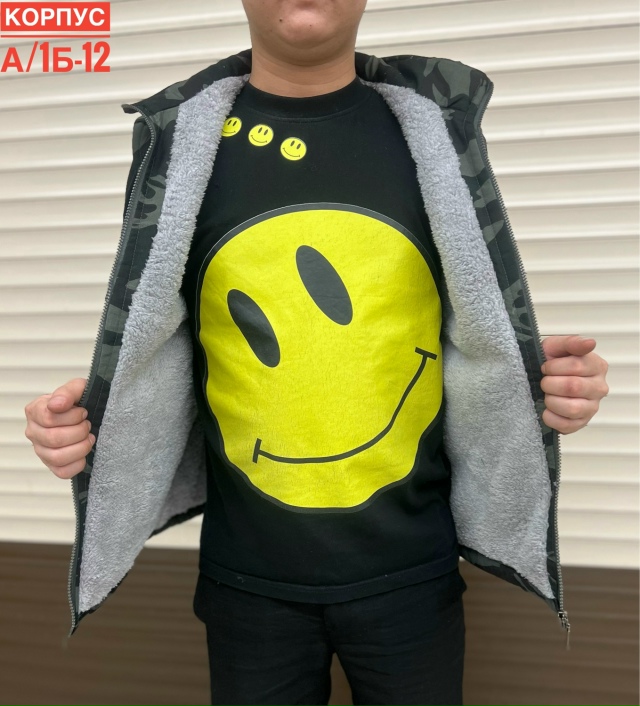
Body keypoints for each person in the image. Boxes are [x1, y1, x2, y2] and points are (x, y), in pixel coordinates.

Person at [23, 1, 610, 704]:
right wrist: (94, 415)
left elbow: (473, 327)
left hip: (413, 576)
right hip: (248, 587)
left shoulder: (436, 139)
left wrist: (538, 384)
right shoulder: (177, 152)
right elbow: (157, 341)